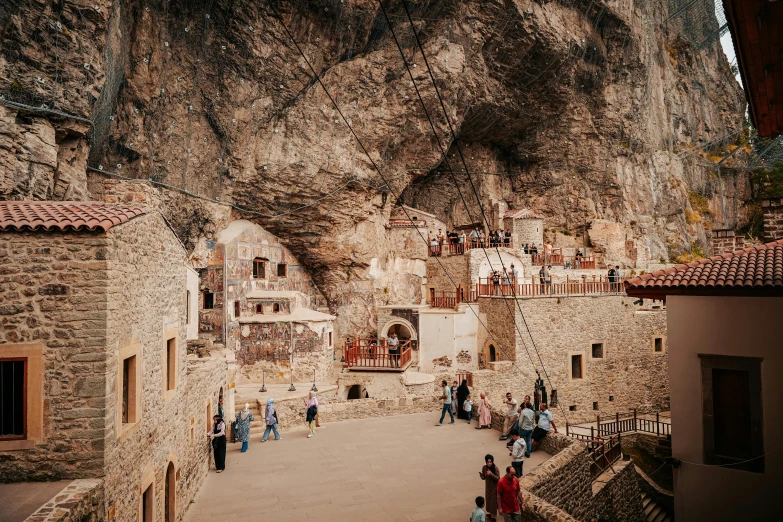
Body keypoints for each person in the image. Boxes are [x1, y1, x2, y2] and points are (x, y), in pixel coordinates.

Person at [479, 454, 500, 522]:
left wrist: (491, 474)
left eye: (490, 462)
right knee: (489, 500)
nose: (489, 463)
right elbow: (484, 477)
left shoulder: (495, 468)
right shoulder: (484, 468)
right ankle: (490, 513)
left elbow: (498, 478)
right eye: (488, 462)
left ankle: (494, 517)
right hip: (488, 488)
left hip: (494, 488)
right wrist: (482, 476)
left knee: (493, 501)